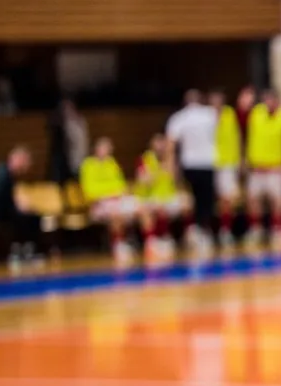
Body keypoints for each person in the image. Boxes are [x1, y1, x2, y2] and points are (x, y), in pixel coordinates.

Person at [166, 89, 218, 255]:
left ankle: (194, 229)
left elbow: (171, 143)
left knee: (192, 199)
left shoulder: (179, 117)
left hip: (190, 163)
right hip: (207, 162)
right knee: (206, 199)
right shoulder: (210, 114)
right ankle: (203, 229)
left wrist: (171, 166)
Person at [245, 88, 281, 251]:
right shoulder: (255, 114)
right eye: (266, 99)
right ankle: (255, 229)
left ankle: (278, 229)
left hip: (276, 166)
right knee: (253, 199)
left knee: (277, 200)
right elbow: (243, 130)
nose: (269, 102)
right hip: (257, 166)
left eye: (272, 99)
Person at [80, 137, 138, 267]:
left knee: (141, 207)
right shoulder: (88, 165)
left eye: (108, 148)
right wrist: (109, 192)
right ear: (96, 149)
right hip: (97, 204)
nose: (106, 151)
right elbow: (89, 191)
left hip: (116, 199)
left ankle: (151, 241)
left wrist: (115, 192)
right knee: (115, 213)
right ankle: (118, 244)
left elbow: (121, 185)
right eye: (104, 147)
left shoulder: (111, 163)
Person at [134, 134, 185, 264]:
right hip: (149, 197)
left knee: (186, 202)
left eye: (163, 143)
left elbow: (174, 178)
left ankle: (185, 235)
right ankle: (152, 242)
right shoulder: (145, 159)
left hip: (167, 196)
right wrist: (157, 171)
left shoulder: (170, 159)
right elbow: (143, 180)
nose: (160, 146)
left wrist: (170, 160)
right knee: (149, 210)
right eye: (157, 143)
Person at [0, 145, 41, 270]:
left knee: (30, 215)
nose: (27, 166)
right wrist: (16, 206)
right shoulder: (3, 172)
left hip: (2, 210)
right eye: (26, 162)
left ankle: (24, 248)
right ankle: (21, 249)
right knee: (25, 217)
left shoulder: (7, 173)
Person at [211, 89, 246, 250]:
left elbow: (238, 136)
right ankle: (211, 230)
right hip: (211, 163)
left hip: (228, 162)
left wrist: (239, 158)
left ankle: (226, 229)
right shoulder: (206, 117)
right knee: (214, 199)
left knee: (228, 198)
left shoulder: (230, 114)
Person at [46, 100, 87, 184]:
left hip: (80, 156)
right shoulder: (62, 125)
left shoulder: (80, 121)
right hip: (67, 160)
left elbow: (83, 140)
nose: (67, 111)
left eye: (69, 108)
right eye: (64, 109)